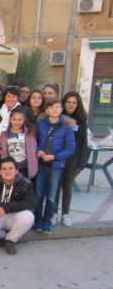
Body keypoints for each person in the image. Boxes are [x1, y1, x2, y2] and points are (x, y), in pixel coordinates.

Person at [34, 97, 76, 234]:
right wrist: (39, 150)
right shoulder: (40, 124)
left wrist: (55, 156)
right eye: (51, 107)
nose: (54, 110)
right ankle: (38, 220)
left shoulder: (66, 127)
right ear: (46, 110)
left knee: (51, 195)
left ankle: (47, 221)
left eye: (57, 107)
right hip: (41, 164)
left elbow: (70, 148)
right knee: (39, 193)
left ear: (61, 110)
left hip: (56, 165)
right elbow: (35, 141)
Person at [0, 158, 36, 255]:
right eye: (4, 169)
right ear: (0, 172)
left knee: (28, 216)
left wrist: (7, 207)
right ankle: (3, 236)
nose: (7, 171)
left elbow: (31, 203)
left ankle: (10, 240)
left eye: (10, 168)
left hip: (14, 215)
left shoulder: (25, 183)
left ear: (16, 170)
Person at [58, 92, 90, 227]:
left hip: (73, 158)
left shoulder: (81, 120)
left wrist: (82, 162)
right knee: (56, 185)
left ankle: (65, 214)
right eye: (68, 102)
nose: (71, 105)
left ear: (78, 104)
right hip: (58, 156)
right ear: (63, 103)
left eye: (74, 102)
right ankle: (53, 212)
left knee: (67, 186)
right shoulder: (58, 117)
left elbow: (83, 142)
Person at [0, 108, 38, 179]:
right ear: (10, 119)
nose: (17, 122)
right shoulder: (4, 135)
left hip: (26, 167)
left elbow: (34, 148)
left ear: (24, 120)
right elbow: (1, 148)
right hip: (10, 169)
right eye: (14, 119)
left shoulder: (30, 134)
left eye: (20, 120)